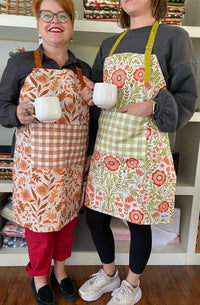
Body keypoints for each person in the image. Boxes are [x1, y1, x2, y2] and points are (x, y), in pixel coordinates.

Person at [78, 0, 198, 304]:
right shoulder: (109, 43)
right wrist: (90, 93)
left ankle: (132, 284)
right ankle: (109, 274)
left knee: (138, 219)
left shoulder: (174, 37)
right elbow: (97, 89)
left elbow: (187, 95)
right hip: (108, 142)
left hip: (143, 144)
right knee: (94, 215)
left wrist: (155, 106)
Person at [0, 0, 94, 305]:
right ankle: (39, 277)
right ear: (38, 24)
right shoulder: (20, 64)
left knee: (67, 223)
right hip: (35, 168)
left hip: (71, 166)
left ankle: (60, 271)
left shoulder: (84, 70)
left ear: (72, 24)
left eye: (63, 15)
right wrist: (18, 113)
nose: (55, 20)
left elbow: (93, 120)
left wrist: (91, 153)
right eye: (47, 15)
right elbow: (1, 110)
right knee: (39, 228)